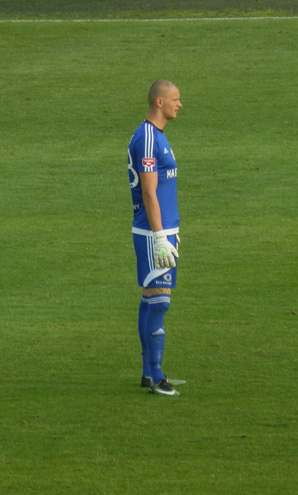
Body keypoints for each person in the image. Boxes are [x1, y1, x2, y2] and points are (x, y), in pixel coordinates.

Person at [127, 79, 186, 397]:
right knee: (160, 301)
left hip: (161, 230)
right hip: (154, 233)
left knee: (150, 298)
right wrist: (161, 236)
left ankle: (148, 372)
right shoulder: (148, 138)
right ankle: (158, 377)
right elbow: (149, 192)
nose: (180, 104)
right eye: (175, 99)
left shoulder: (156, 135)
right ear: (159, 102)